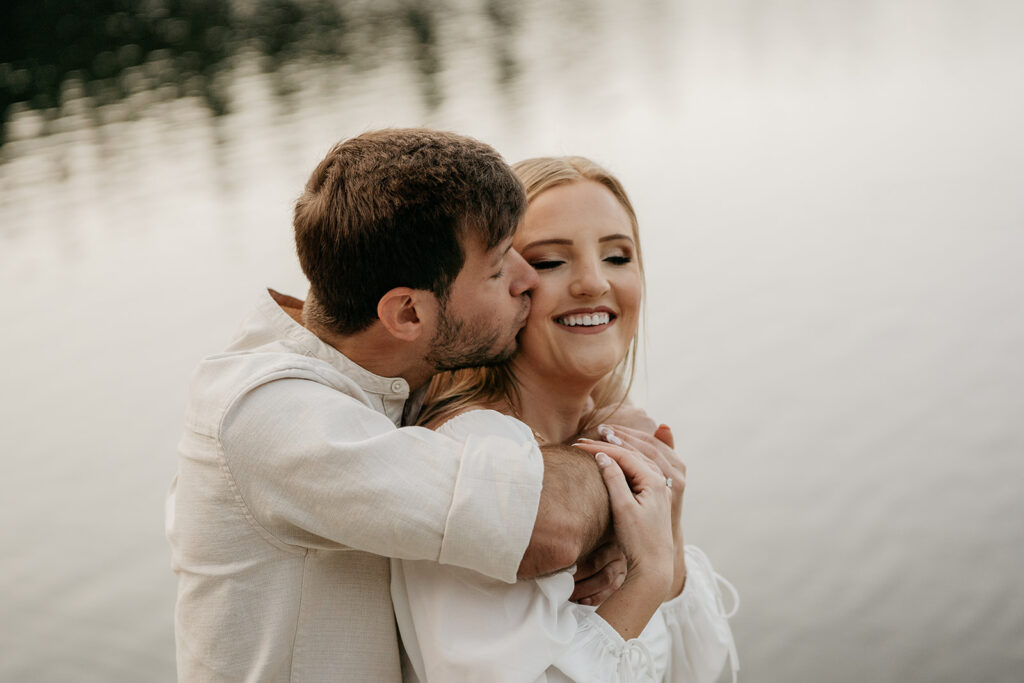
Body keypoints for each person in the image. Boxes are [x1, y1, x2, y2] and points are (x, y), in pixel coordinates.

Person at [165, 131, 625, 682]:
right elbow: (546, 525)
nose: (527, 281)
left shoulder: (390, 374)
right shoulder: (270, 416)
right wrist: (634, 477)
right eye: (500, 267)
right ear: (407, 314)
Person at [391, 156, 740, 682]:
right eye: (552, 262)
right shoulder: (475, 463)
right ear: (497, 286)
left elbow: (701, 674)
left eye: (618, 256)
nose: (593, 283)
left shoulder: (615, 441)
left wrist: (666, 535)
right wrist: (645, 584)